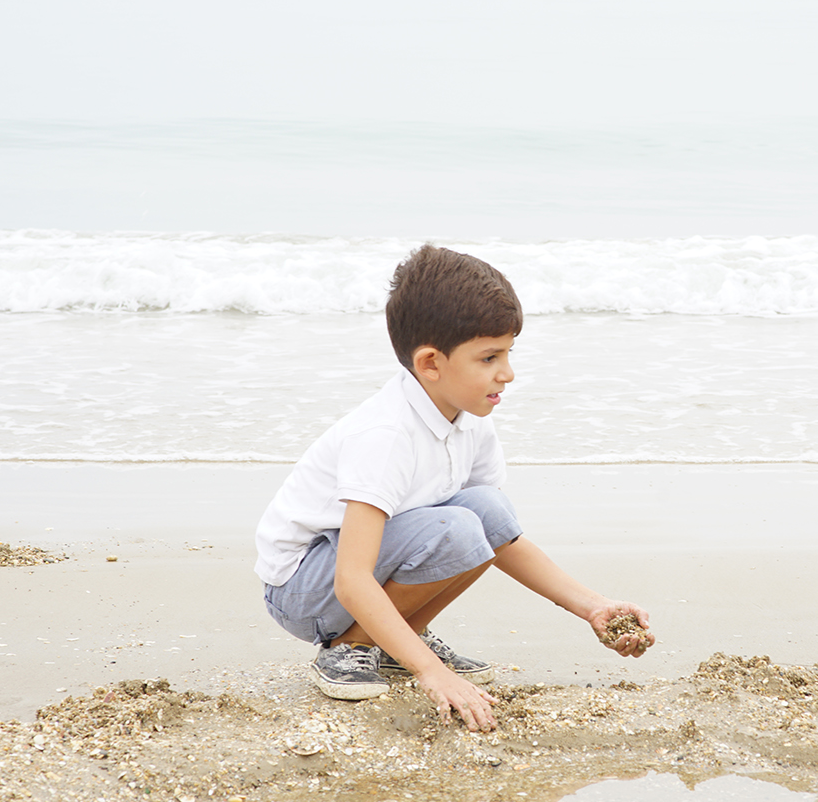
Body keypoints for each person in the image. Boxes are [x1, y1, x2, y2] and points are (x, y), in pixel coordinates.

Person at [254, 245, 654, 730]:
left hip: (358, 576)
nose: (507, 372)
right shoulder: (385, 435)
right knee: (459, 526)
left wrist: (593, 606)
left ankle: (402, 639)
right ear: (430, 363)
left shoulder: (471, 417)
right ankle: (350, 648)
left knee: (484, 511)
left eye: (508, 353)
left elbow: (500, 539)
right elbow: (351, 577)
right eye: (489, 357)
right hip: (304, 590)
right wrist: (434, 674)